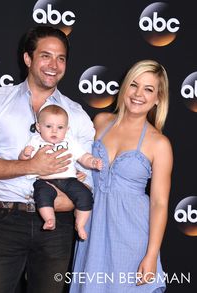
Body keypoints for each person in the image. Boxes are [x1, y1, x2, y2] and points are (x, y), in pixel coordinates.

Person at [0, 25, 95, 293]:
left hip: (57, 228)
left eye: (61, 58)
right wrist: (32, 166)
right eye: (46, 56)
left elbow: (88, 181)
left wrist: (62, 202)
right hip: (7, 220)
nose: (54, 65)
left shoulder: (77, 115)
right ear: (28, 58)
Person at [69, 59, 173, 293]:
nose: (138, 94)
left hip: (132, 237)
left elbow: (159, 204)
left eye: (148, 89)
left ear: (158, 97)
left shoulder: (159, 143)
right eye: (134, 85)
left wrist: (151, 254)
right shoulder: (101, 121)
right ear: (124, 87)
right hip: (94, 229)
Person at [19, 104, 102, 239]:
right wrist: (25, 154)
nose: (54, 131)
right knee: (42, 195)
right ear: (39, 127)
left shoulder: (70, 141)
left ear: (67, 129)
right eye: (49, 126)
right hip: (44, 180)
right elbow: (23, 161)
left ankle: (80, 224)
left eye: (60, 128)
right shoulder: (35, 141)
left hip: (68, 179)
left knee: (85, 195)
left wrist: (92, 161)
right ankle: (49, 219)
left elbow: (83, 156)